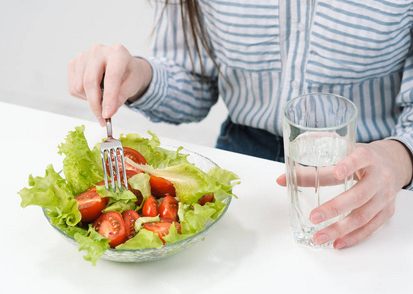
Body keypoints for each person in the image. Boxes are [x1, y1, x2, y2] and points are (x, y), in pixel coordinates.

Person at [67, 0, 413, 250]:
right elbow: (195, 81)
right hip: (244, 161)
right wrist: (140, 76)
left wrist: (398, 159)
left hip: (371, 177)